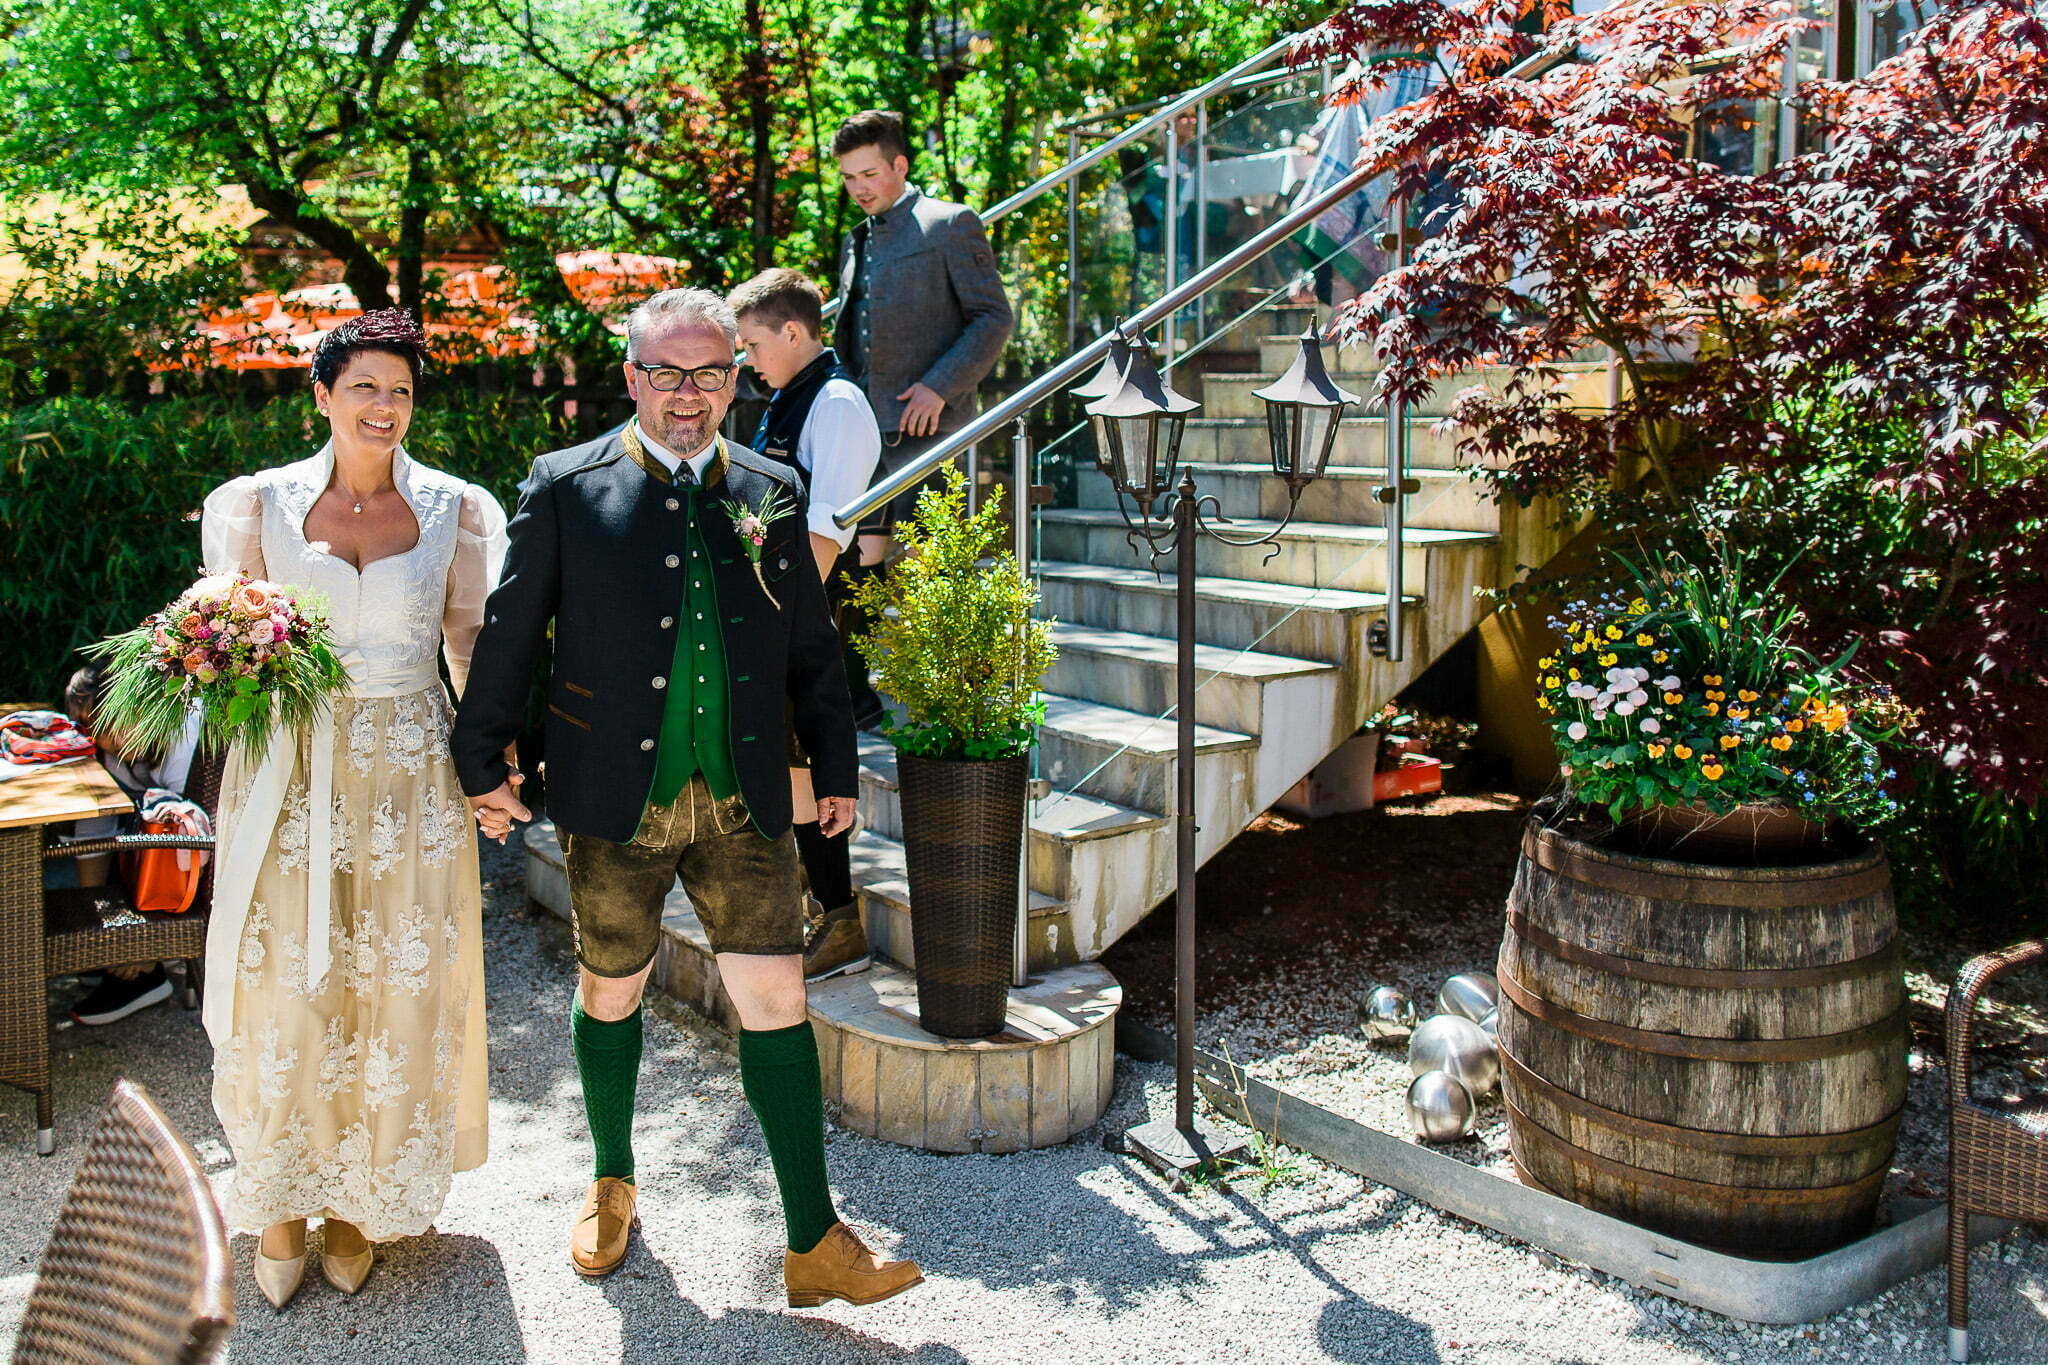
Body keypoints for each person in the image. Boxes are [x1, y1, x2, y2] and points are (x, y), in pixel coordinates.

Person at [452, 288, 922, 1307]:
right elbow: (509, 631)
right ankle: (611, 1180)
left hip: (747, 796)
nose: (686, 393)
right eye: (665, 372)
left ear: (734, 378)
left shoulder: (771, 485)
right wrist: (480, 755)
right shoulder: (566, 486)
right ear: (631, 377)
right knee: (611, 988)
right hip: (614, 795)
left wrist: (834, 767)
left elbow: (810, 644)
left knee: (776, 1002)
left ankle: (812, 1239)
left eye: (709, 372)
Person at [199, 309, 507, 1309]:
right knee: (285, 986)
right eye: (366, 388)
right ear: (322, 396)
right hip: (288, 773)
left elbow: (469, 650)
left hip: (412, 775)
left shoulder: (459, 509)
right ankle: (282, 1202)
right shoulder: (252, 506)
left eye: (402, 392)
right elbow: (224, 643)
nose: (385, 408)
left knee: (392, 986)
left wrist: (490, 767)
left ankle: (357, 1203)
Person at [832, 109, 1014, 723]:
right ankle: (857, 701)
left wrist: (939, 387)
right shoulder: (856, 238)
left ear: (900, 165)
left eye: (870, 174)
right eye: (849, 177)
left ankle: (946, 705)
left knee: (929, 571)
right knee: (853, 560)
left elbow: (993, 318)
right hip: (863, 431)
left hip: (930, 432)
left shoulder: (948, 223)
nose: (860, 188)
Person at [729, 267, 881, 986]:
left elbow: (829, 529)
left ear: (794, 331)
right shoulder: (790, 396)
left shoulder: (838, 402)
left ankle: (839, 915)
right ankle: (810, 903)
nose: (747, 360)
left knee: (816, 763)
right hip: (783, 603)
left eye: (753, 344)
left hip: (810, 609)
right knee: (786, 762)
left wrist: (774, 622)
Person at [58, 660, 204, 1025]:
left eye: (117, 722)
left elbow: (182, 842)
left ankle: (145, 966)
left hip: (188, 851)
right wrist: (101, 931)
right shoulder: (110, 747)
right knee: (89, 811)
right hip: (142, 842)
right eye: (98, 729)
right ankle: (102, 943)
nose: (114, 739)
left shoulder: (182, 734)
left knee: (162, 827)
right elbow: (102, 815)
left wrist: (147, 943)